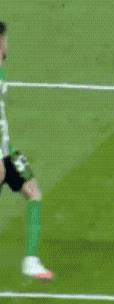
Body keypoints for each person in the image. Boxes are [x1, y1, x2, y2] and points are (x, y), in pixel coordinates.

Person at [0, 21, 53, 280]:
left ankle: (31, 261)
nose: (7, 44)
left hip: (6, 151)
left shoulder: (1, 72)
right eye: (5, 39)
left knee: (33, 191)